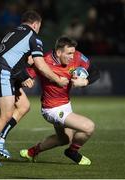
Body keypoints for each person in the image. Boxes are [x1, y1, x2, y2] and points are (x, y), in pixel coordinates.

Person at [0, 10, 69, 167]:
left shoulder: (14, 32)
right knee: (5, 115)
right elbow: (39, 64)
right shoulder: (33, 37)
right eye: (39, 26)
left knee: (24, 106)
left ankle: (0, 139)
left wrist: (23, 75)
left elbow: (14, 58)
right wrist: (57, 80)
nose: (39, 29)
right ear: (36, 24)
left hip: (2, 71)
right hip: (3, 73)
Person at [19, 36, 100, 165]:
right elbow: (23, 73)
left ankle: (31, 152)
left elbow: (95, 71)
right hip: (51, 109)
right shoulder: (43, 61)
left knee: (64, 139)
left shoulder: (77, 57)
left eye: (73, 53)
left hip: (66, 105)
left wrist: (85, 81)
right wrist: (25, 79)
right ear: (58, 52)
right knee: (88, 127)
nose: (72, 57)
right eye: (69, 53)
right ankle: (72, 152)